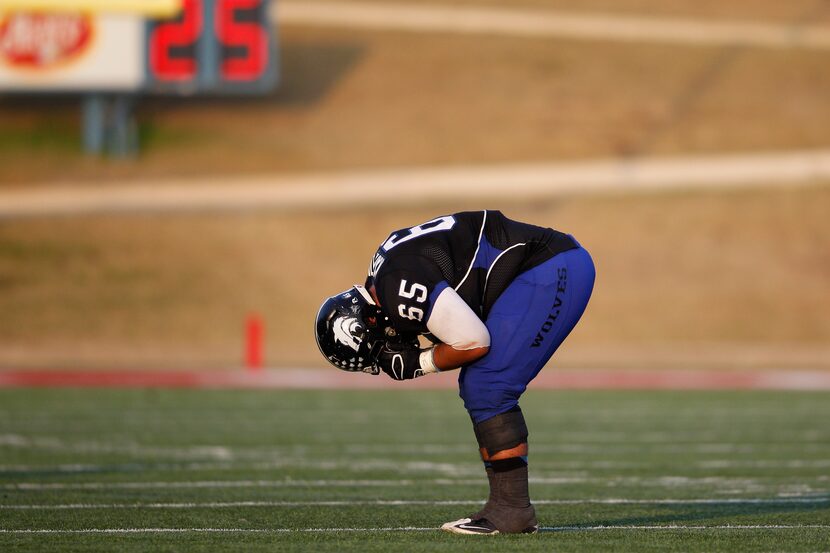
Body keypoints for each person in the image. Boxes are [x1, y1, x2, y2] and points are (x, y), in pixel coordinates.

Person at [315, 210, 595, 535]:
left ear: (369, 325)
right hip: (547, 262)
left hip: (550, 267)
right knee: (479, 384)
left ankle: (512, 510)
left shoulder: (397, 286)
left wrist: (419, 363)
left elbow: (473, 341)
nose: (385, 355)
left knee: (488, 385)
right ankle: (507, 506)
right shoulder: (384, 275)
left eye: (376, 350)